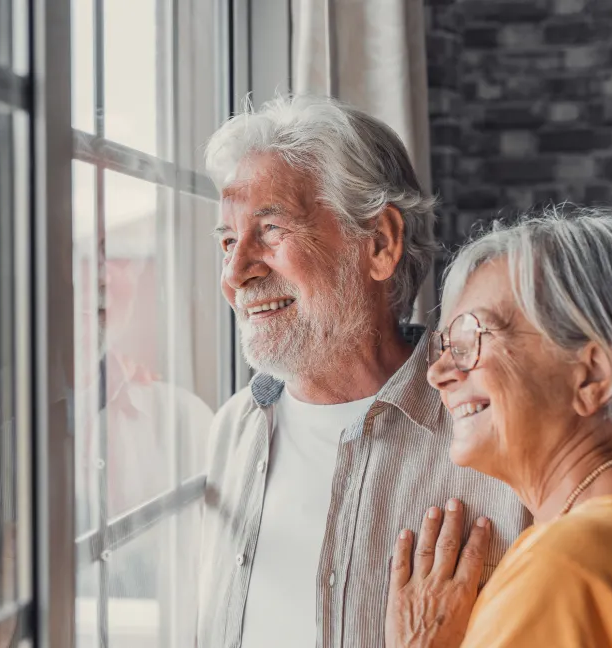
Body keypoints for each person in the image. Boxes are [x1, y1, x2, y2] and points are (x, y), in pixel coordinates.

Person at [196, 94, 530, 648]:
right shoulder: (232, 429)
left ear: (379, 243)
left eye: (271, 229)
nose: (235, 273)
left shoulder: (497, 438)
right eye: (228, 241)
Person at [385, 205, 612, 648]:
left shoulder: (565, 569)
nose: (439, 373)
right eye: (446, 346)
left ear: (593, 375)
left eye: (472, 340)